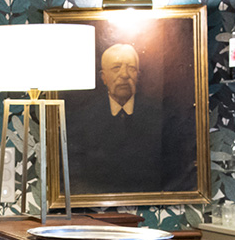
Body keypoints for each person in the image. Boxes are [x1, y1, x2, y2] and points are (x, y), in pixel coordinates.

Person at [66, 40, 194, 196]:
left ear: (138, 76)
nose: (124, 75)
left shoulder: (162, 117)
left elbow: (176, 171)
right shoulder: (84, 119)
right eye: (116, 68)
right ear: (103, 77)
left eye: (131, 68)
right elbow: (75, 174)